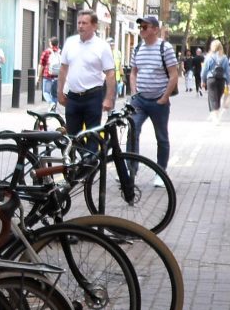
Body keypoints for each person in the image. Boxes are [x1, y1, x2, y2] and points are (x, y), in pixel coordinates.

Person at [128, 14, 179, 185]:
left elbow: (173, 75)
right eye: (140, 27)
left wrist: (164, 97)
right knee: (132, 131)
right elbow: (133, 72)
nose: (141, 30)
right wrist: (134, 92)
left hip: (159, 100)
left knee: (162, 137)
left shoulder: (165, 48)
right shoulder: (137, 49)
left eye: (145, 27)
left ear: (155, 30)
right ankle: (131, 171)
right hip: (140, 100)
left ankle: (161, 172)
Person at [58, 10, 116, 138]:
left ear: (94, 26)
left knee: (92, 135)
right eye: (79, 23)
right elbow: (63, 68)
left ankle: (90, 156)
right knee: (72, 137)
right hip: (72, 97)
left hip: (93, 96)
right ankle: (78, 157)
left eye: (84, 23)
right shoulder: (70, 42)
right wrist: (60, 92)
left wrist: (108, 98)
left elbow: (110, 73)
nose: (80, 26)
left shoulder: (102, 46)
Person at [201, 39, 229, 123]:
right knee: (218, 97)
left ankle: (215, 117)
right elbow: (227, 71)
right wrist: (228, 82)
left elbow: (205, 70)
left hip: (211, 79)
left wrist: (203, 80)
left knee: (212, 97)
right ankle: (214, 114)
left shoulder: (209, 57)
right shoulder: (224, 58)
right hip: (221, 79)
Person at [37, 36, 61, 110]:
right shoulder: (60, 52)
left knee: (46, 92)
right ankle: (53, 112)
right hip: (57, 76)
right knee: (54, 95)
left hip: (48, 75)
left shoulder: (47, 52)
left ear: (50, 43)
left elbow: (41, 64)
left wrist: (38, 76)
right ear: (57, 44)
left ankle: (51, 103)